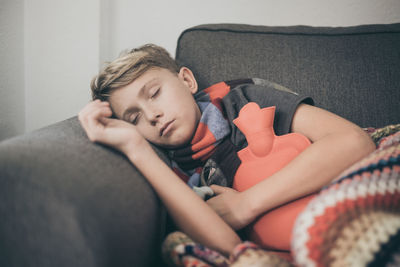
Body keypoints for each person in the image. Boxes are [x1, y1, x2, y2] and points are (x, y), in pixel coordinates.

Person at [78, 44, 376, 258]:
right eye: (134, 118)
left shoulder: (241, 101)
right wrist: (135, 148)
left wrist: (245, 205)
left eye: (154, 93)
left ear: (186, 80)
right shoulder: (176, 173)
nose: (152, 115)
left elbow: (354, 141)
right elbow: (232, 250)